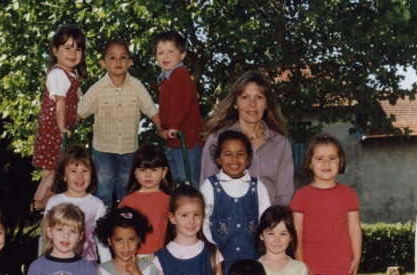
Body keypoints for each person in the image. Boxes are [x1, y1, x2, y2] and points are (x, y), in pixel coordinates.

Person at [75, 38, 163, 207]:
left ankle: (126, 219)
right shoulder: (97, 89)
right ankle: (103, 222)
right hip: (104, 148)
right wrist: (66, 128)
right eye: (112, 58)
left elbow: (151, 110)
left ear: (129, 62)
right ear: (103, 63)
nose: (118, 61)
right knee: (104, 186)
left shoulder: (137, 87)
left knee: (127, 186)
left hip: (129, 148)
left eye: (123, 57)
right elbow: (80, 111)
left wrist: (161, 128)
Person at [291, 133, 362, 275]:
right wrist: (300, 262)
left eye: (332, 158)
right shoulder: (301, 196)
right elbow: (296, 231)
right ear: (310, 163)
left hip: (341, 266)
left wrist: (356, 258)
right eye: (319, 158)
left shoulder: (348, 194)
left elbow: (354, 227)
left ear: (340, 162)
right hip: (312, 267)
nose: (326, 163)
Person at [200, 71, 294, 205]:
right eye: (245, 97)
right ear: (235, 103)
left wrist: (275, 223)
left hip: (269, 222)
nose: (252, 104)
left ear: (266, 104)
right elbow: (206, 191)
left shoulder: (280, 144)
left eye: (259, 97)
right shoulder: (216, 139)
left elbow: (284, 195)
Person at [201, 129, 271, 275]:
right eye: (227, 154)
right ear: (218, 159)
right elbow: (203, 221)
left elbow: (267, 223)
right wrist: (212, 251)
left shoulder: (258, 186)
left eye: (240, 154)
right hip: (221, 263)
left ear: (248, 159)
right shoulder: (210, 186)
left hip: (253, 262)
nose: (234, 159)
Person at [32, 24, 87, 211]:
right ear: (55, 50)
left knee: (50, 171)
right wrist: (63, 127)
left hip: (56, 130)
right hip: (53, 131)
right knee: (55, 169)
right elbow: (60, 102)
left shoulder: (72, 74)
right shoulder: (57, 74)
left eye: (77, 49)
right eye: (67, 47)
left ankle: (48, 206)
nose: (73, 53)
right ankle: (38, 203)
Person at [42, 144, 111, 265]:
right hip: (57, 264)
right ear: (63, 175)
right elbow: (45, 237)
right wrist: (42, 262)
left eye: (85, 171)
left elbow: (102, 243)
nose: (80, 176)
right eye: (73, 171)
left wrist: (108, 270)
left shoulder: (97, 204)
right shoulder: (54, 202)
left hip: (88, 265)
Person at [153, 31, 204, 184]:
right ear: (155, 57)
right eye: (160, 53)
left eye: (171, 51)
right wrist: (163, 127)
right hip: (174, 141)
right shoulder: (166, 79)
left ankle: (193, 206)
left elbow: (179, 103)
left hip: (187, 141)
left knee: (188, 181)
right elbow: (165, 110)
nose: (165, 56)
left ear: (182, 54)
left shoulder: (179, 75)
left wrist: (173, 126)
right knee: (173, 179)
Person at [119, 144, 173, 257]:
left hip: (163, 257)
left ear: (163, 172)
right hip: (133, 258)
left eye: (153, 170)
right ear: (135, 172)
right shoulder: (127, 202)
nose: (148, 175)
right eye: (142, 170)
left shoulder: (171, 201)